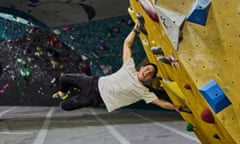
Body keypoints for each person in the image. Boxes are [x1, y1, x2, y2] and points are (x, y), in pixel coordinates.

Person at [52, 23, 181, 113]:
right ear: (141, 68)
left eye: (150, 74)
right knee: (64, 78)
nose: (147, 72)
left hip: (95, 98)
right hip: (93, 81)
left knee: (65, 106)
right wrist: (135, 31)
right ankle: (63, 92)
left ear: (150, 79)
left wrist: (175, 107)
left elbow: (160, 102)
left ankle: (68, 96)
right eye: (146, 69)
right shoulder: (129, 68)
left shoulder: (143, 91)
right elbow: (127, 45)